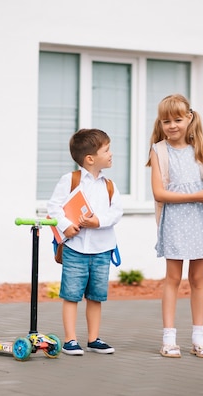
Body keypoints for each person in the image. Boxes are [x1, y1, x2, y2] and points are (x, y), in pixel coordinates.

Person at [146, 94, 203, 358]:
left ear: (189, 118)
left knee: (198, 279)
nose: (171, 125)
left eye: (177, 120)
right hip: (175, 222)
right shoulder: (159, 150)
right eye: (165, 121)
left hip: (201, 221)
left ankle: (198, 339)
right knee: (172, 278)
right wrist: (196, 196)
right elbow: (160, 193)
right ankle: (169, 339)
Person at [47, 128, 123, 356]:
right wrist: (65, 225)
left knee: (95, 296)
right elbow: (53, 207)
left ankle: (93, 339)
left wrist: (98, 221)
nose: (111, 154)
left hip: (102, 250)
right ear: (90, 158)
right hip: (75, 249)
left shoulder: (109, 185)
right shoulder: (70, 180)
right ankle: (70, 340)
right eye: (107, 150)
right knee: (71, 295)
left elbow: (116, 212)